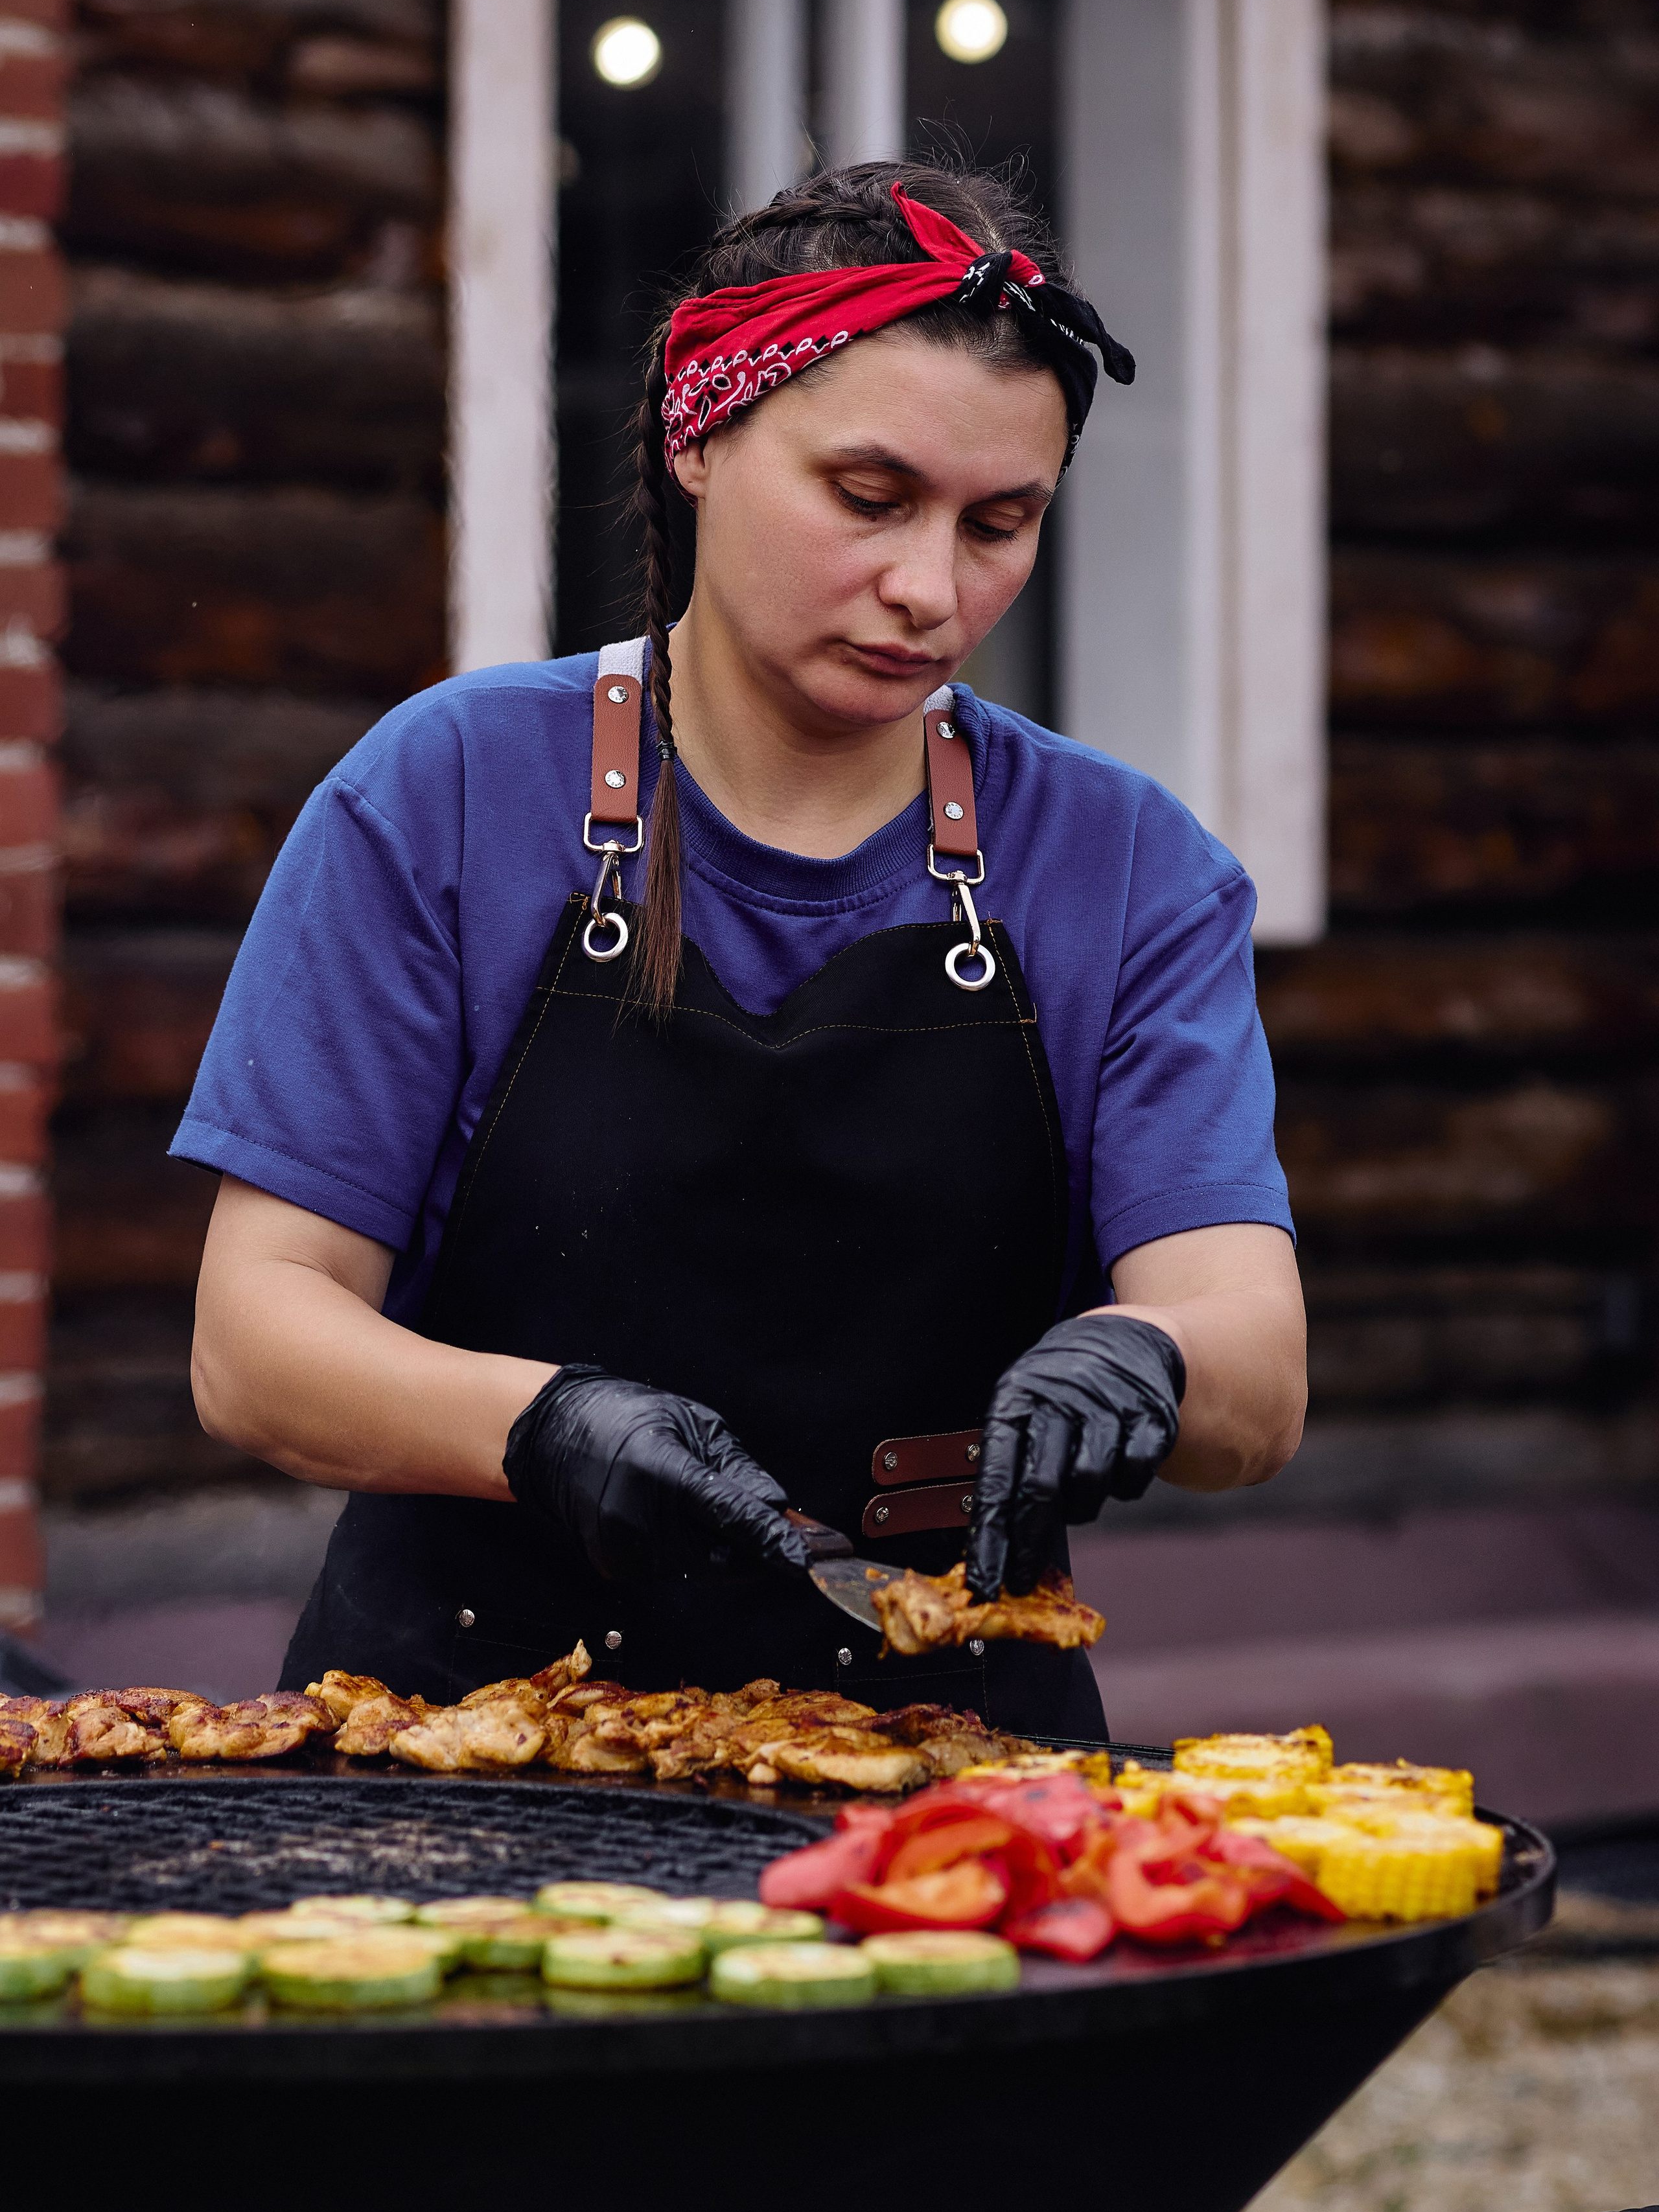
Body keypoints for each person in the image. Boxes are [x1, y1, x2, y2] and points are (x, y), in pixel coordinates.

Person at [180, 160, 1305, 1741]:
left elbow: (1253, 1375)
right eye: (867, 497)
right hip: (459, 1742)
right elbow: (252, 1343)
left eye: (999, 523)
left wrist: (1147, 1355)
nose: (928, 587)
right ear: (698, 431)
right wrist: (544, 1425)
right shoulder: (444, 793)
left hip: (953, 1772)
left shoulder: (1128, 869)